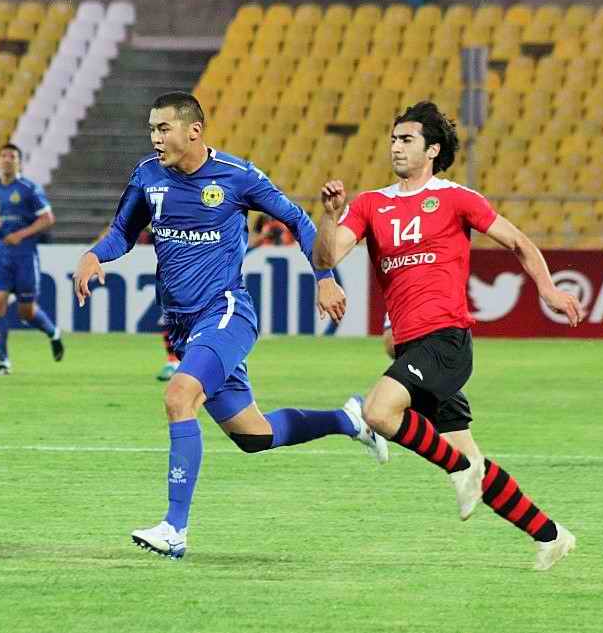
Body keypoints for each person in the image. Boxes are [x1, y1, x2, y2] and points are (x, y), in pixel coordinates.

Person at [73, 92, 388, 559]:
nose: (155, 137)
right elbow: (123, 232)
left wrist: (325, 277)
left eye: (164, 128)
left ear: (194, 131)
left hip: (225, 312)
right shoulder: (148, 175)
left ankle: (174, 528)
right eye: (152, 129)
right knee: (253, 436)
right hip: (184, 327)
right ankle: (350, 419)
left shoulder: (236, 176)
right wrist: (93, 255)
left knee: (179, 396)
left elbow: (297, 219)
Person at [312, 101, 584, 571]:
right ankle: (551, 535)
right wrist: (330, 216)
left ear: (432, 150)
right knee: (470, 457)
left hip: (447, 340)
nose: (396, 147)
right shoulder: (371, 204)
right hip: (412, 347)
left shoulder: (457, 198)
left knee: (377, 411)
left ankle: (460, 470)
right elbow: (328, 256)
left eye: (407, 140)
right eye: (393, 139)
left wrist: (548, 289)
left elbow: (518, 241)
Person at [0, 143, 63, 375]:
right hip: (0, 256)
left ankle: (53, 333)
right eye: (3, 156)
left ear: (19, 162)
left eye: (12, 156)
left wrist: (21, 234)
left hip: (25, 257)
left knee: (26, 312)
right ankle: (3, 361)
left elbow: (48, 218)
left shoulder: (29, 188)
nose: (7, 159)